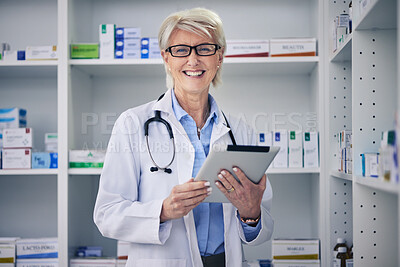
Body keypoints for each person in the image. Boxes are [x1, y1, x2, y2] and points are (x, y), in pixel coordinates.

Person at [93, 7, 274, 267]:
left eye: (204, 48)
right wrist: (164, 211)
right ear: (166, 58)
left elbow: (262, 229)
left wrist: (251, 214)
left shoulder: (241, 131)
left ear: (219, 56)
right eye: (180, 50)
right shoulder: (132, 123)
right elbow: (106, 215)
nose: (193, 60)